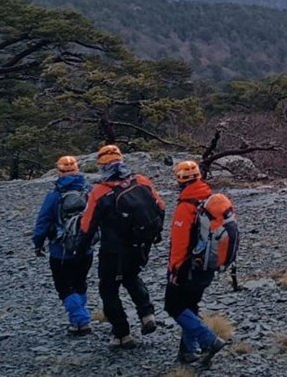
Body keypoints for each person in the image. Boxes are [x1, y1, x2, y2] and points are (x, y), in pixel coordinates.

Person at [79, 144, 166, 348]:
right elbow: (160, 206)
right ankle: (147, 314)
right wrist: (156, 233)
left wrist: (82, 248)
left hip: (114, 250)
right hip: (142, 245)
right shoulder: (141, 180)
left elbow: (87, 225)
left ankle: (122, 334)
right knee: (132, 276)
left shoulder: (100, 192)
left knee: (108, 289)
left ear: (101, 166)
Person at [165, 160, 226, 365]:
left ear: (180, 179)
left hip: (188, 267)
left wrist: (174, 269)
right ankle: (189, 352)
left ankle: (209, 340)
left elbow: (179, 243)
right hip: (207, 265)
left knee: (173, 306)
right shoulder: (209, 199)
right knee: (190, 305)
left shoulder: (186, 206)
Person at [32, 155, 94, 336]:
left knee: (65, 287)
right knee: (80, 283)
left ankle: (82, 319)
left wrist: (38, 243)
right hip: (85, 247)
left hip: (61, 250)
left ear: (59, 172)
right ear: (77, 169)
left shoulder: (54, 195)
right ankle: (77, 324)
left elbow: (42, 221)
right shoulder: (89, 191)